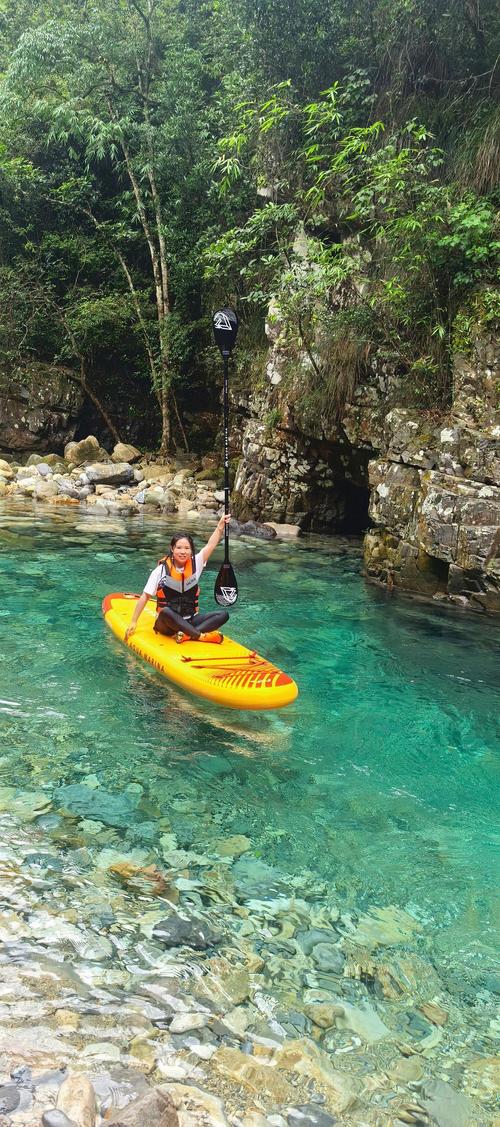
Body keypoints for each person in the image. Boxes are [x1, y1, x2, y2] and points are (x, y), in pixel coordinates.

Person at [124, 516, 231, 645]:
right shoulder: (160, 571)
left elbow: (211, 545)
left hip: (190, 619)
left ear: (191, 550)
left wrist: (220, 527)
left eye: (187, 548)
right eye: (179, 548)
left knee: (223, 615)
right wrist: (134, 621)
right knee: (166, 611)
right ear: (172, 549)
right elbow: (145, 596)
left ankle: (188, 635)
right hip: (167, 624)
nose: (183, 551)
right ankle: (200, 636)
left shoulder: (196, 563)